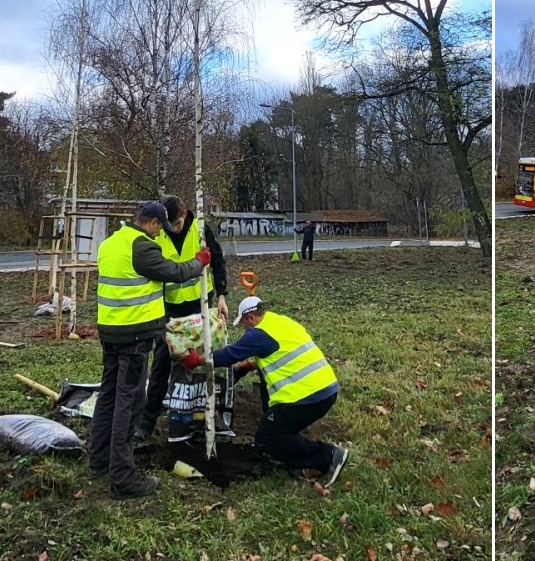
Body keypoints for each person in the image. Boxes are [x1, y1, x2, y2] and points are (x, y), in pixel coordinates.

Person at [88, 200, 210, 499]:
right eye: (160, 229)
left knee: (109, 395)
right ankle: (123, 479)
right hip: (134, 335)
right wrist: (200, 262)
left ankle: (99, 458)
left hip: (110, 329)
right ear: (153, 223)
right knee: (129, 404)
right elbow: (175, 272)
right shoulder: (142, 247)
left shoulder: (111, 243)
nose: (161, 235)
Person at [178, 295, 349, 487]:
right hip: (326, 388)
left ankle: (329, 456)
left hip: (306, 396)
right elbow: (282, 351)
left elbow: (229, 355)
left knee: (267, 438)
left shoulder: (258, 334)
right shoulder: (281, 321)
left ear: (250, 318)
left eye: (244, 323)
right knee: (280, 430)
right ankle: (298, 459)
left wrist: (198, 360)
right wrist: (250, 365)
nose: (245, 328)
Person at [136, 194, 230, 442]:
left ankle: (209, 413)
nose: (173, 230)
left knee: (205, 360)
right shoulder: (159, 234)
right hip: (170, 311)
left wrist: (222, 295)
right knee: (162, 365)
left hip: (200, 307)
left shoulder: (200, 230)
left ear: (185, 213)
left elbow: (218, 260)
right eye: (169, 225)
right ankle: (148, 420)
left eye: (176, 224)